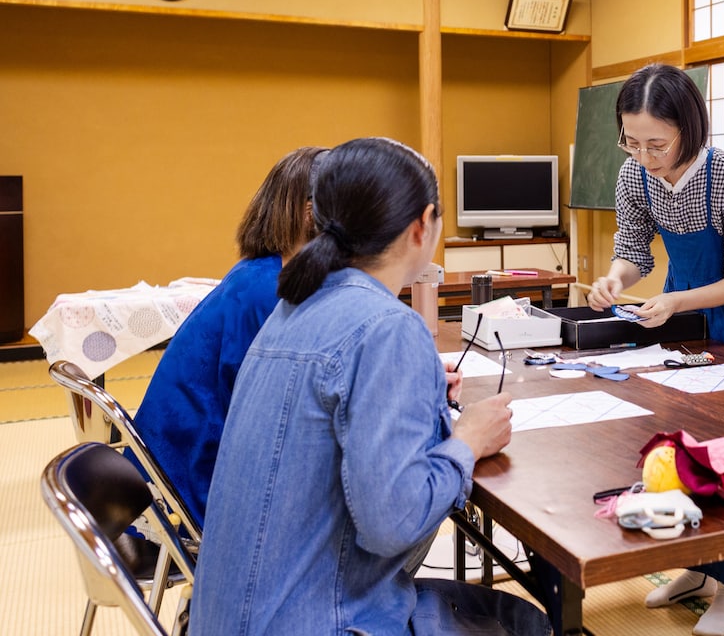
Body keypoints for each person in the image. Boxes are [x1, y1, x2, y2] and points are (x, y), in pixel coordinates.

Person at [191, 137, 550, 636]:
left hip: (235, 617)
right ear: (423, 225)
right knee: (527, 622)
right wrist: (468, 441)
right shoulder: (387, 326)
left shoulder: (291, 307)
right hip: (319, 620)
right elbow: (393, 525)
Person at [585, 63, 724, 636]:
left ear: (689, 128)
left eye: (657, 143)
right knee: (680, 439)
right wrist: (616, 280)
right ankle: (698, 569)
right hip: (683, 309)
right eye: (631, 141)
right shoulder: (635, 177)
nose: (644, 156)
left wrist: (677, 302)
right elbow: (635, 250)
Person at [133, 145, 326, 529]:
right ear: (310, 212)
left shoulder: (260, 272)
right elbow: (285, 414)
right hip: (193, 487)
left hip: (169, 471)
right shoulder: (270, 291)